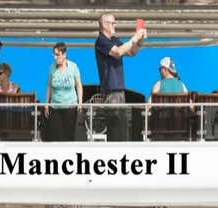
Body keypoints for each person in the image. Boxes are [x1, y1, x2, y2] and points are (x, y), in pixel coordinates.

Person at [94, 13, 147, 141]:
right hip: (111, 91)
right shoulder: (101, 41)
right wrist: (134, 38)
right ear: (104, 24)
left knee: (122, 128)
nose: (115, 25)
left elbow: (130, 51)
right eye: (112, 23)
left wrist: (140, 41)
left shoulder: (113, 40)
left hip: (118, 90)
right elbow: (118, 52)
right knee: (116, 128)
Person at [45, 42, 83, 142]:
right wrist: (46, 104)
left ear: (64, 54)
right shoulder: (52, 67)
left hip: (70, 107)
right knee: (56, 136)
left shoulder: (73, 67)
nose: (55, 57)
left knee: (68, 136)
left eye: (57, 54)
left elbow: (78, 85)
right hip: (55, 107)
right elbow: (49, 86)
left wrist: (80, 102)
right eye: (54, 54)